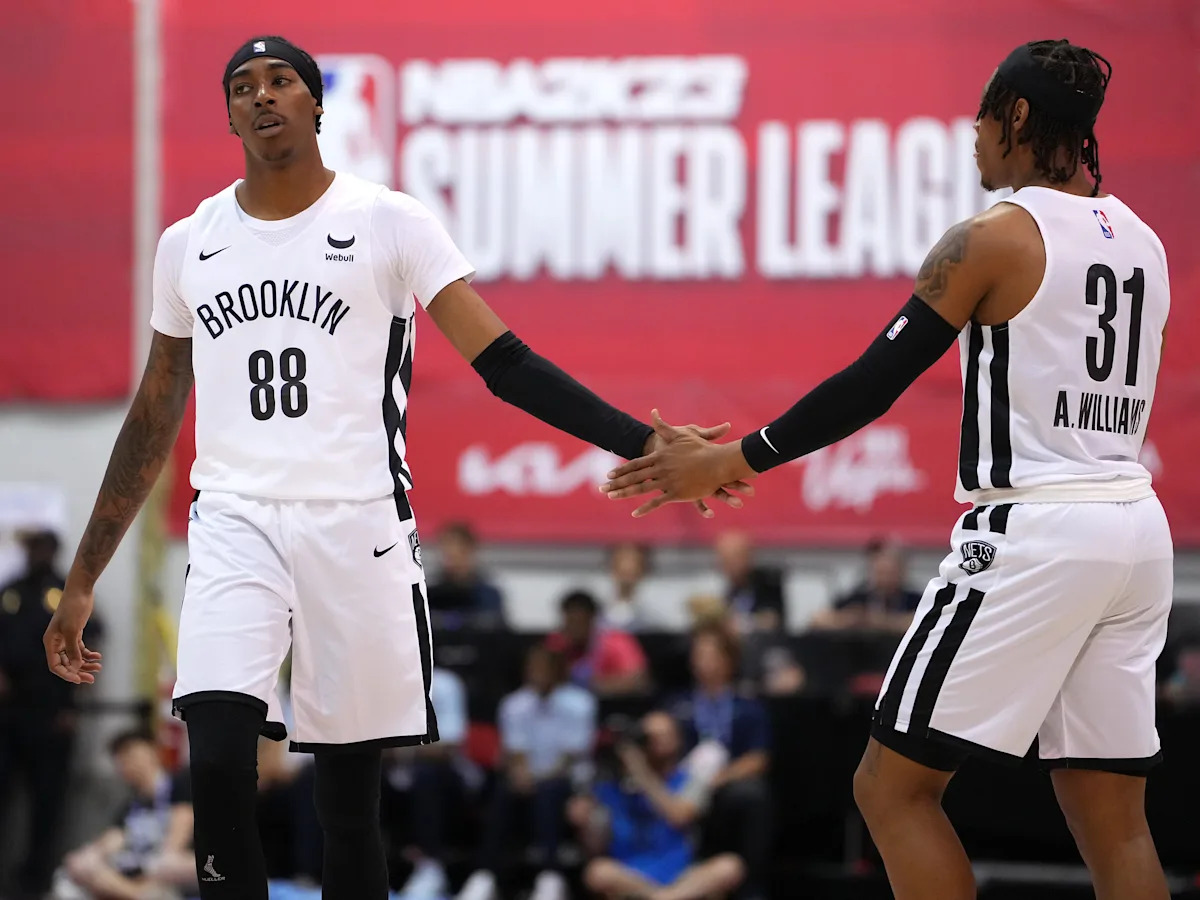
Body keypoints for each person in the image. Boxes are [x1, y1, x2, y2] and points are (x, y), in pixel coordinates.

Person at [41, 35, 747, 900]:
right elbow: (153, 415)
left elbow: (506, 363)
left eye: (281, 80)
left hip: (360, 525)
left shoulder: (387, 221)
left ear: (315, 103)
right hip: (234, 520)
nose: (262, 96)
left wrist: (641, 442)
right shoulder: (189, 243)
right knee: (217, 765)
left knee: (347, 807)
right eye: (243, 86)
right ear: (228, 114)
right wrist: (84, 578)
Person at [604, 39, 1172, 900]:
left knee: (889, 788)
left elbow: (874, 381)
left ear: (1017, 116)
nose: (972, 133)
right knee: (1115, 820)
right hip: (1136, 531)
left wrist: (731, 457)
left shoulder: (993, 237)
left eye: (982, 115)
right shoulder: (1146, 244)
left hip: (1039, 526)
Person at [0, 530, 100, 898]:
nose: (35, 555)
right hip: (8, 715)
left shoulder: (66, 593)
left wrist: (72, 704)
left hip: (51, 714)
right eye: (32, 548)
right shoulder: (10, 591)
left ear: (53, 551)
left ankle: (36, 882)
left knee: (47, 804)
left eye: (42, 548)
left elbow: (90, 641)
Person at [457, 645, 595, 900]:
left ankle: (550, 876)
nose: (537, 673)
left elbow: (570, 757)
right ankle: (486, 875)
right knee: (501, 793)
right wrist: (521, 775)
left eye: (543, 668)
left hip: (568, 780)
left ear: (557, 671)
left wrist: (536, 778)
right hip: (528, 777)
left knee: (548, 793)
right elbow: (515, 750)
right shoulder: (514, 704)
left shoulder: (580, 703)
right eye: (532, 668)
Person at [570, 711, 743, 900]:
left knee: (729, 866)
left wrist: (640, 771)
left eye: (665, 735)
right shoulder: (610, 786)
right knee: (597, 872)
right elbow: (594, 847)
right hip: (631, 874)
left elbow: (679, 816)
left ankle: (664, 897)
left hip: (680, 874)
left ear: (678, 739)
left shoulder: (689, 780)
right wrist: (584, 823)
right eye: (651, 737)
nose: (658, 742)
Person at [670, 624, 771, 900]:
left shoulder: (747, 706)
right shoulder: (677, 705)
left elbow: (758, 758)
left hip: (724, 786)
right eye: (698, 655)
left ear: (729, 661)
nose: (704, 663)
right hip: (681, 784)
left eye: (712, 655)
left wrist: (719, 779)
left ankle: (750, 887)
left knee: (752, 795)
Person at [52, 729, 195, 900]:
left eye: (132, 754)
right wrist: (89, 856)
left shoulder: (180, 785)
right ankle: (139, 894)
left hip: (173, 867)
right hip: (140, 872)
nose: (128, 764)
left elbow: (175, 843)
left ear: (152, 750)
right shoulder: (129, 806)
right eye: (121, 760)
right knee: (77, 869)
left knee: (166, 865)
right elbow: (112, 840)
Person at [546, 590, 650, 696]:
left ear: (592, 619)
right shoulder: (557, 643)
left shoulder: (616, 642)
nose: (574, 629)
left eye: (579, 622)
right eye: (570, 622)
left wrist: (592, 685)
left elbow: (639, 680)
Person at [812, 537, 922, 633]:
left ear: (902, 572)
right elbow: (818, 619)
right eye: (881, 572)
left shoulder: (915, 600)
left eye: (890, 572)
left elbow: (922, 623)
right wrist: (849, 619)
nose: (885, 578)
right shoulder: (858, 597)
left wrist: (884, 622)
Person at [426, 522, 506, 630]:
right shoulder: (430, 595)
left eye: (459, 552)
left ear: (471, 551)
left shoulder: (488, 595)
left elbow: (500, 632)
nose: (453, 561)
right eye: (448, 554)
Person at [713, 531, 786, 634]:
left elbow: (772, 620)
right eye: (724, 560)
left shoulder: (769, 583)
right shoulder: (723, 590)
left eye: (734, 558)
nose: (729, 565)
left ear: (749, 557)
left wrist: (741, 624)